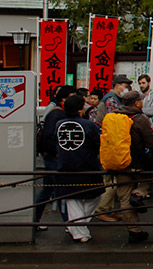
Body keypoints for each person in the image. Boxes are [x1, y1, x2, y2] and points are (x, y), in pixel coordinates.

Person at [103, 90, 153, 244]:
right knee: (147, 181)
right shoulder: (140, 119)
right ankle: (139, 194)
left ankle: (134, 231)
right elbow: (151, 142)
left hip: (120, 163)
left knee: (124, 198)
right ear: (136, 103)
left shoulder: (115, 116)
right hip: (138, 164)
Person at [55, 94, 104, 243]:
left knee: (72, 200)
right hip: (87, 166)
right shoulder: (88, 125)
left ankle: (77, 228)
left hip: (65, 166)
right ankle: (79, 230)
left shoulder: (59, 124)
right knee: (95, 195)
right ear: (79, 109)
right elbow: (98, 144)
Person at [34, 85, 76, 228]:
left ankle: (35, 221)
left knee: (48, 189)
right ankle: (69, 224)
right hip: (53, 157)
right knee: (60, 190)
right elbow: (49, 137)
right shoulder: (57, 114)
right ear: (64, 99)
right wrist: (57, 151)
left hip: (50, 156)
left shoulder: (57, 112)